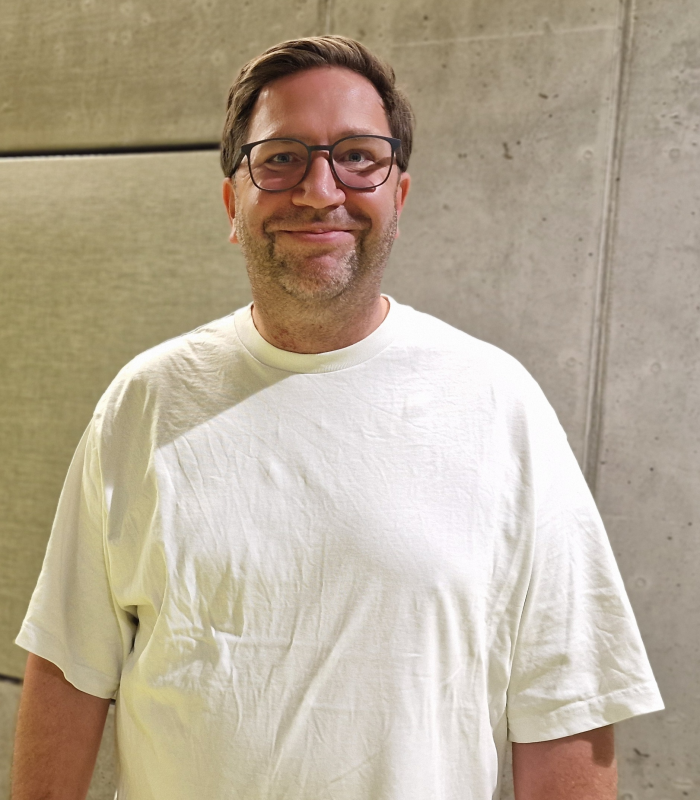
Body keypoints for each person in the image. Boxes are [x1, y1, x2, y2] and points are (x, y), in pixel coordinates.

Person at [12, 35, 663, 800]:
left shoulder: (498, 405)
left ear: (399, 198)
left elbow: (567, 706)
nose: (320, 191)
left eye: (358, 157)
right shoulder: (146, 402)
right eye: (281, 158)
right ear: (232, 203)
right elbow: (70, 667)